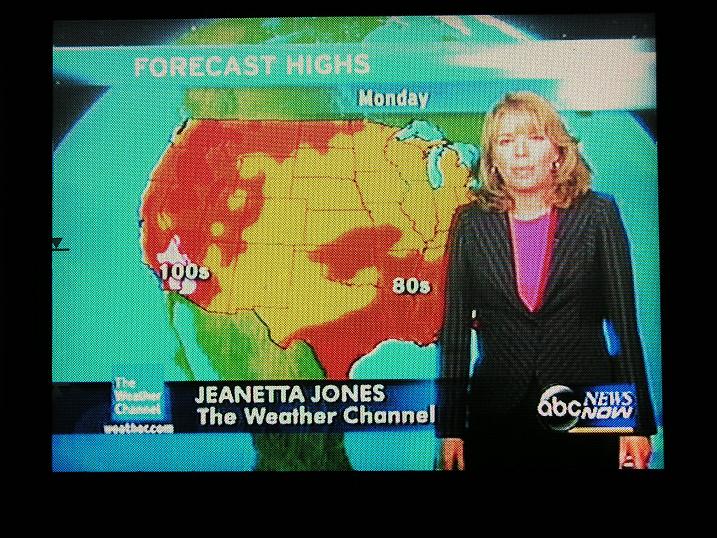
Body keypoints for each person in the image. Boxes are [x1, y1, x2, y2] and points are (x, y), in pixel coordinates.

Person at [437, 92, 656, 470]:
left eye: (535, 138)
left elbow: (624, 325)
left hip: (585, 409)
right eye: (506, 142)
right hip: (497, 414)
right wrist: (452, 427)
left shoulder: (598, 215)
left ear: (557, 151)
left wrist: (635, 422)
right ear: (493, 159)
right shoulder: (470, 224)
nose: (520, 153)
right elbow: (456, 332)